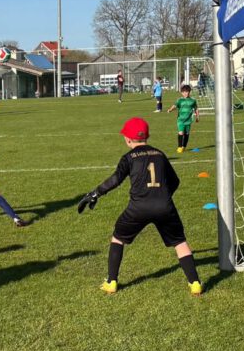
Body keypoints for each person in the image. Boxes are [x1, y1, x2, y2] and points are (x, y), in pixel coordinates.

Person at [76, 117, 201, 295]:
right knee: (180, 242)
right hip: (165, 207)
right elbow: (175, 181)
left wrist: (95, 193)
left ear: (128, 139)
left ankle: (111, 282)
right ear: (147, 136)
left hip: (138, 208)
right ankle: (195, 283)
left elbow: (115, 179)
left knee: (118, 238)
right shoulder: (160, 154)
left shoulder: (128, 157)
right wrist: (162, 197)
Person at [167, 84, 199, 153]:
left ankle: (184, 146)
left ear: (189, 92)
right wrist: (170, 109)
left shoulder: (193, 100)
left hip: (188, 121)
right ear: (181, 93)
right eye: (183, 92)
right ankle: (179, 147)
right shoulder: (180, 100)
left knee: (186, 134)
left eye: (187, 92)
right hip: (180, 120)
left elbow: (196, 108)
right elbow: (175, 106)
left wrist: (197, 117)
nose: (185, 93)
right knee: (181, 132)